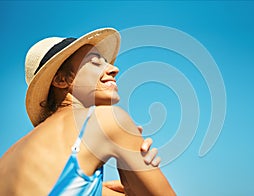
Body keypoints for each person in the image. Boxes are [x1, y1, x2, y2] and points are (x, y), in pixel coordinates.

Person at [0, 28, 175, 195]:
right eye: (95, 61)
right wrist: (131, 165)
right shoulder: (105, 119)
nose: (114, 69)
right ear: (61, 80)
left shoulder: (8, 160)